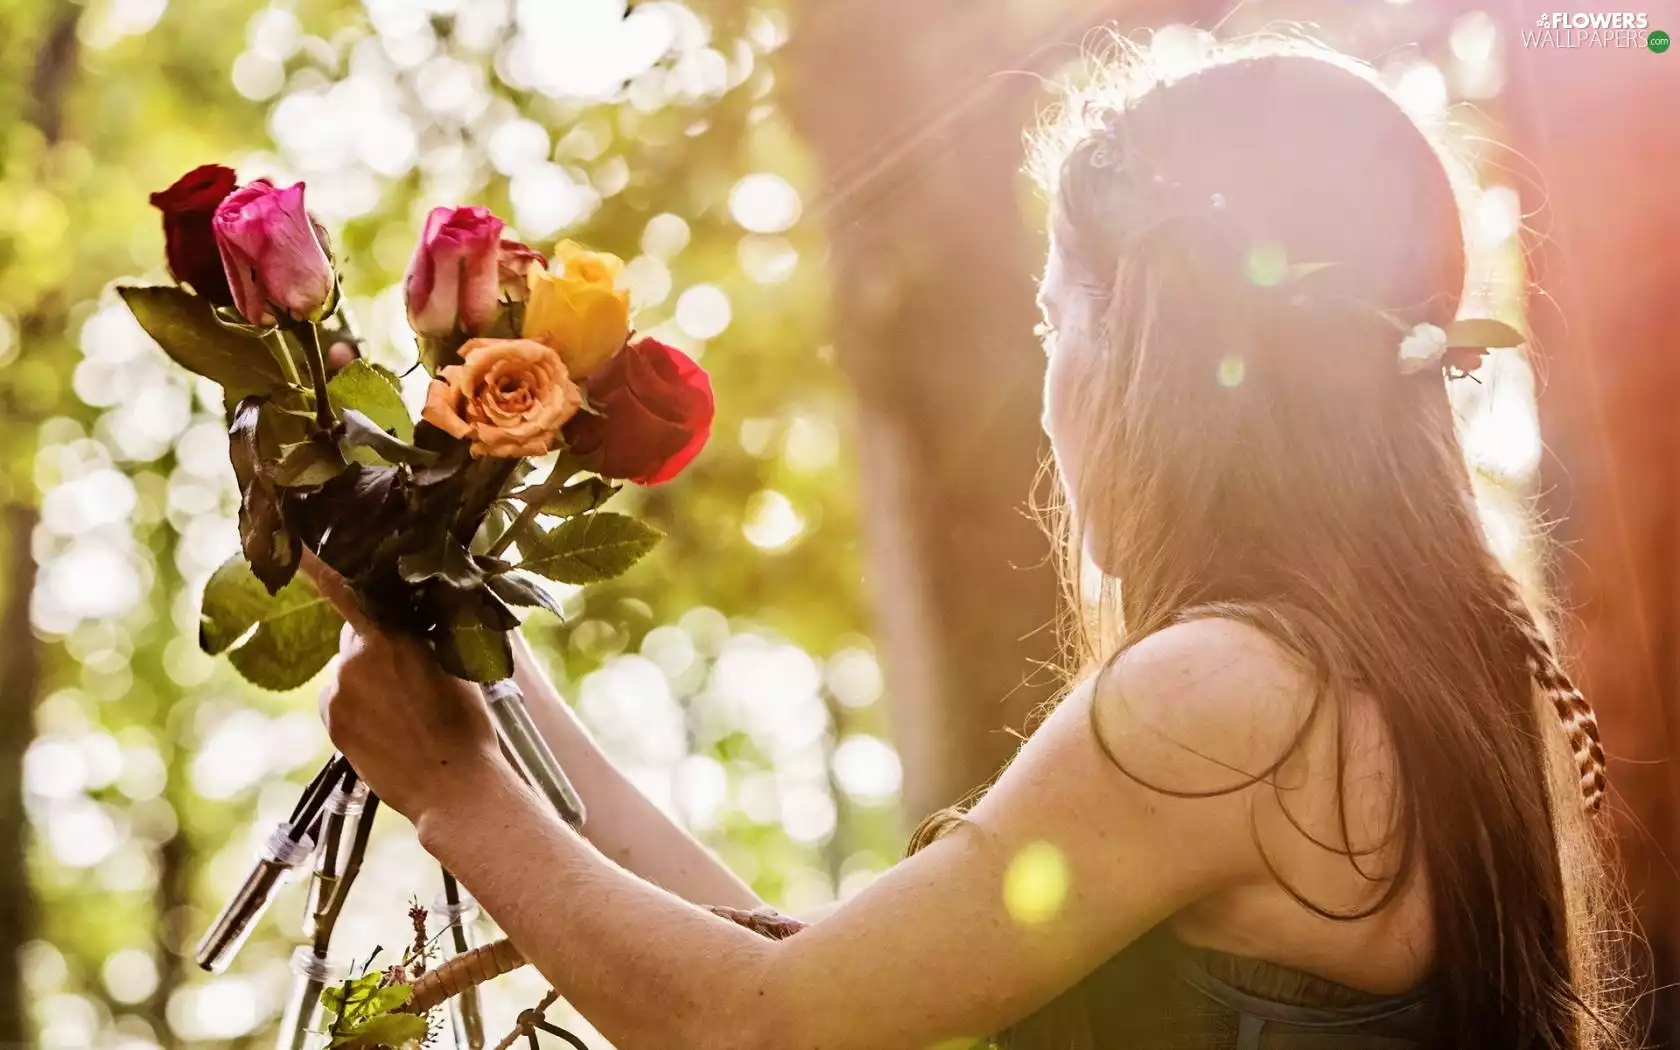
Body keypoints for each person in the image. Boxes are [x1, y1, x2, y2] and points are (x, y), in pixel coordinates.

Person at [309, 35, 1634, 1049]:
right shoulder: (1411, 682)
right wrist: (477, 662)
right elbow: (817, 967)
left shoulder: (1227, 701)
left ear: (1154, 357)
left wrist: (453, 791)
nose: (1050, 389)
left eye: (1061, 328)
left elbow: (760, 1021)